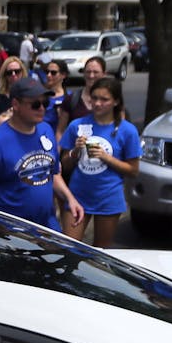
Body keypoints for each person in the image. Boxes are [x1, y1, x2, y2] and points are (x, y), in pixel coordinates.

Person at [0, 77, 83, 231]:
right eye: (35, 104)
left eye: (45, 103)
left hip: (48, 228)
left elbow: (52, 173)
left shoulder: (46, 130)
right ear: (15, 104)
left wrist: (70, 198)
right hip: (13, 234)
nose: (42, 108)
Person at [62, 77, 139, 248]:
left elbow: (133, 170)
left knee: (101, 254)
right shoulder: (77, 125)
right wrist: (75, 151)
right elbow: (64, 165)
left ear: (116, 101)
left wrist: (107, 158)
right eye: (94, 97)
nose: (97, 103)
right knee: (68, 250)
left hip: (108, 198)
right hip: (78, 196)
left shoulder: (127, 130)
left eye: (104, 99)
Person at [62, 56, 108, 123]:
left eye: (96, 72)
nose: (91, 76)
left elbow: (122, 129)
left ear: (104, 74)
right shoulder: (72, 100)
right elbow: (61, 131)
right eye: (88, 72)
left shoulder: (112, 100)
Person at [38, 60, 70, 134]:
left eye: (53, 73)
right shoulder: (40, 95)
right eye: (47, 72)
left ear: (63, 75)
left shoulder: (70, 97)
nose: (49, 75)